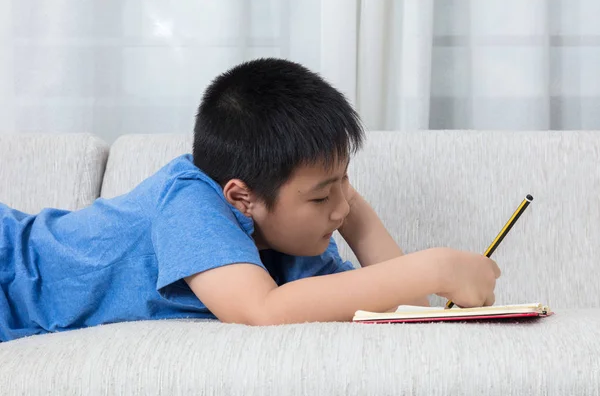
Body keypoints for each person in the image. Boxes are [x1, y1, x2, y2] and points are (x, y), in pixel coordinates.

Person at [0, 58, 500, 342]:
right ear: (241, 197)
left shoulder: (300, 247)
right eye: (322, 194)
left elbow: (406, 310)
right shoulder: (189, 200)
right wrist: (433, 266)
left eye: (347, 182)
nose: (342, 207)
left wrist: (346, 206)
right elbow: (260, 310)